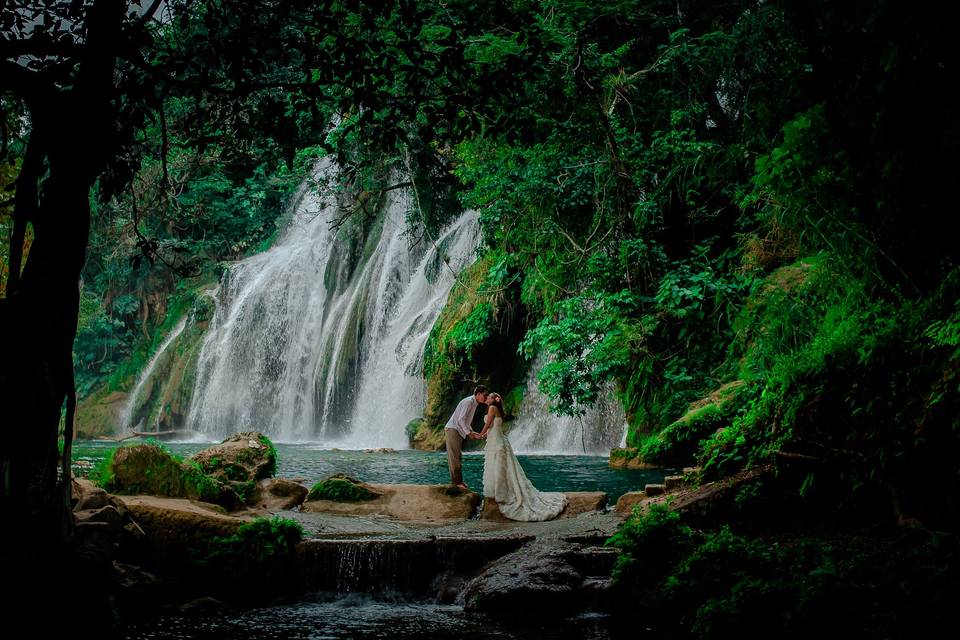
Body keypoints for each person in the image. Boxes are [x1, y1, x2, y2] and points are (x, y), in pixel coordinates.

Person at [480, 392, 568, 521]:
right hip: (498, 439)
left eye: (489, 397)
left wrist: (480, 434)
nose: (486, 398)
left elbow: (488, 424)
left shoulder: (492, 408)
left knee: (498, 465)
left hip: (496, 440)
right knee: (503, 466)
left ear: (494, 400)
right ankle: (500, 491)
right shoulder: (497, 409)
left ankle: (500, 493)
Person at [444, 385, 488, 490]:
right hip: (453, 429)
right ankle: (456, 482)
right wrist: (468, 433)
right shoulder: (468, 402)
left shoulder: (474, 403)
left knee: (457, 455)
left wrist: (472, 432)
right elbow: (460, 420)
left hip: (457, 429)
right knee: (454, 456)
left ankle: (459, 481)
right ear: (478, 394)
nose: (485, 397)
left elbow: (466, 421)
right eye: (484, 395)